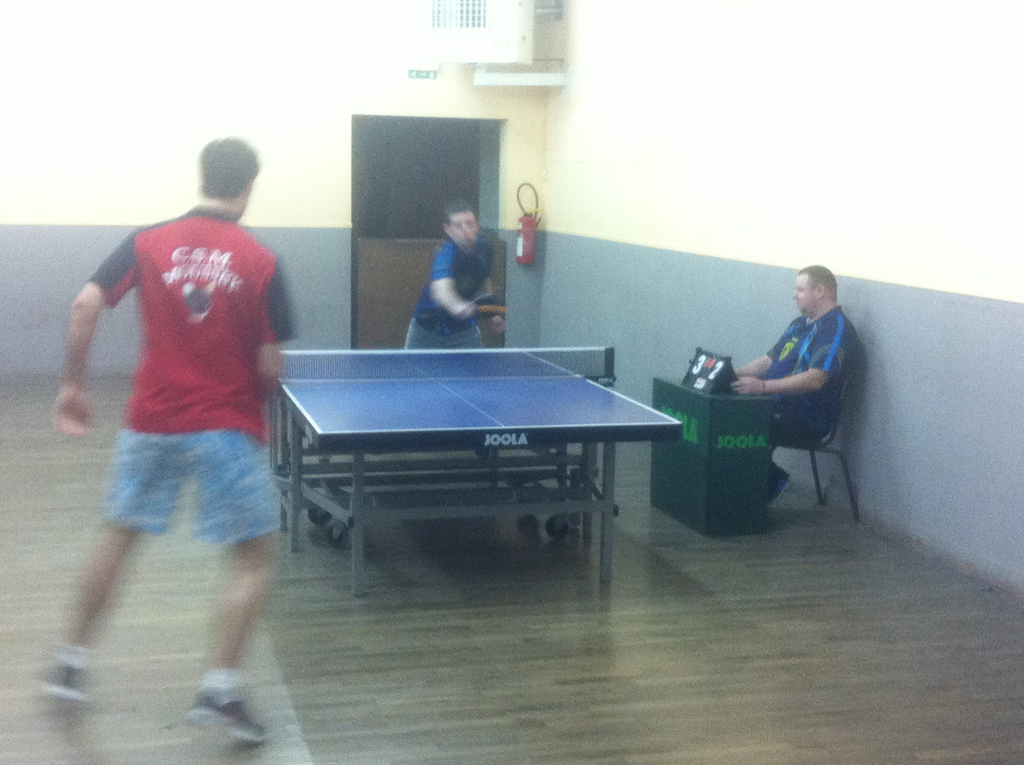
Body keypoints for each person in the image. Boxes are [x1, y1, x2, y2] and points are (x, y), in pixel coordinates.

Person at [45, 138, 295, 745]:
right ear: (248, 187)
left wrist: (73, 385)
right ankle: (221, 692)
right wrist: (254, 398)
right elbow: (270, 367)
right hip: (226, 427)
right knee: (252, 560)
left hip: (151, 421)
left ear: (203, 176)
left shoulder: (147, 241)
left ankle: (69, 665)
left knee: (119, 536)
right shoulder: (261, 260)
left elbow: (83, 305)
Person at [731, 265, 858, 498]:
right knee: (723, 412)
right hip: (774, 403)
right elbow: (767, 360)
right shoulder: (799, 324)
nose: (794, 295)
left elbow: (816, 379)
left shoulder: (835, 328)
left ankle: (769, 484)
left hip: (806, 416)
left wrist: (762, 387)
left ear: (820, 291)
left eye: (800, 290)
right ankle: (740, 491)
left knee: (737, 423)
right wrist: (731, 375)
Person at [405, 200, 506, 349]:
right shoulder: (445, 253)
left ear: (477, 225)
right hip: (426, 330)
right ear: (448, 230)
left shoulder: (486, 249)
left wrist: (492, 313)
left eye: (469, 223)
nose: (465, 229)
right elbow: (441, 290)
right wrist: (457, 306)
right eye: (458, 225)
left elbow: (484, 282)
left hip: (463, 330)